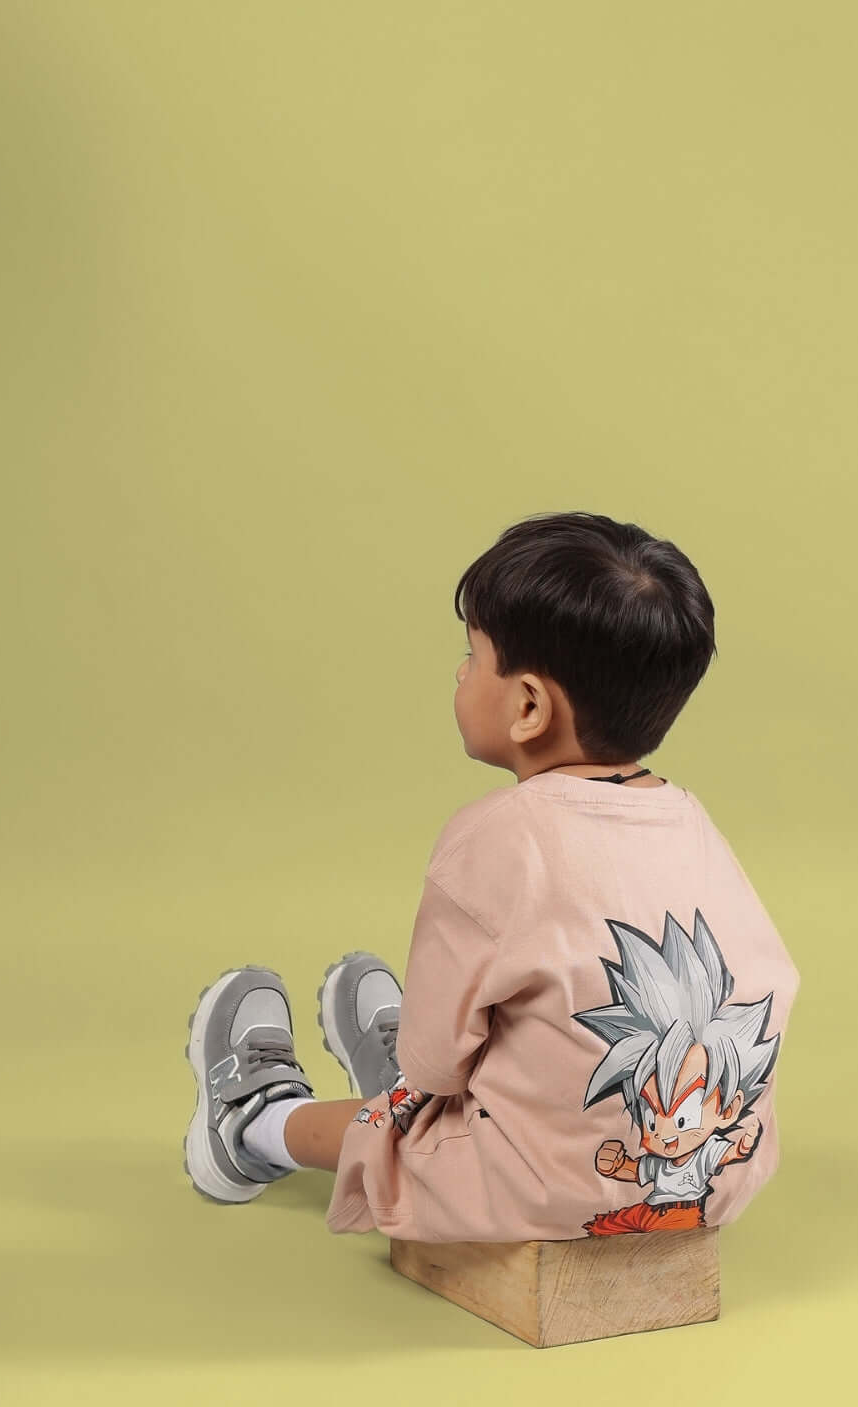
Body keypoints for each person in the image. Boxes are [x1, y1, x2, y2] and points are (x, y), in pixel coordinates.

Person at [183, 510, 801, 1242]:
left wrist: (419, 1082)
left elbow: (436, 1065)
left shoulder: (493, 839)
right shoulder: (694, 824)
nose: (460, 672)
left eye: (474, 657)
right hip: (720, 1183)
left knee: (402, 1120)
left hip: (529, 1193)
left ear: (529, 706)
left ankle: (249, 1129)